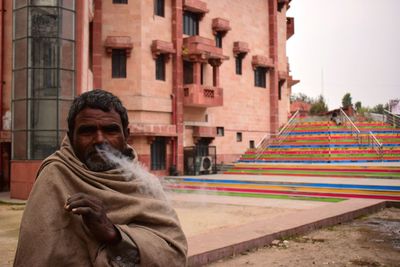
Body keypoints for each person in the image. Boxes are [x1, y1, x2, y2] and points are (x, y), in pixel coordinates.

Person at [14, 89, 188, 266]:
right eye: (87, 131)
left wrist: (113, 234)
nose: (99, 140)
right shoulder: (55, 176)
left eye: (110, 130)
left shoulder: (145, 183)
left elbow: (174, 253)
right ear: (71, 137)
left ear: (126, 135)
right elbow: (36, 256)